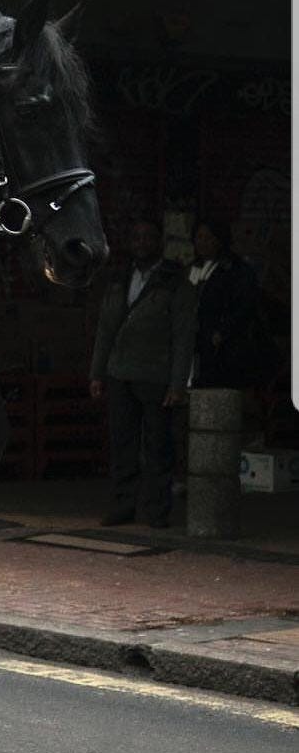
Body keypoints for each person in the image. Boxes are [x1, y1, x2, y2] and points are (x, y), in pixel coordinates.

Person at [89, 216, 197, 527]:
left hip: (156, 374)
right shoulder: (119, 279)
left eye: (148, 238)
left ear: (160, 243)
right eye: (136, 238)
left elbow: (184, 336)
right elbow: (105, 329)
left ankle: (155, 510)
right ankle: (123, 506)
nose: (141, 244)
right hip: (120, 372)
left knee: (157, 446)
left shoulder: (176, 282)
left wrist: (178, 383)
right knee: (122, 444)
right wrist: (97, 373)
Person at [188, 218, 276, 390]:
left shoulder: (237, 270)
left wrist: (222, 333)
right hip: (197, 345)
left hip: (226, 350)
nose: (203, 243)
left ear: (220, 240)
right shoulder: (194, 268)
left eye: (208, 238)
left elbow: (244, 307)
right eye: (199, 237)